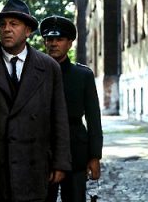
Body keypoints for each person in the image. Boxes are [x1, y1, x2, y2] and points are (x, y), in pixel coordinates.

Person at [0, 0, 72, 202]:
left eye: (14, 24)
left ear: (28, 31)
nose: (7, 29)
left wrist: (60, 163)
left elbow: (60, 119)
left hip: (35, 168)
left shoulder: (48, 67)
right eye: (3, 24)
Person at [40, 15, 103, 202]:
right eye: (49, 39)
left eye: (59, 39)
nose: (53, 44)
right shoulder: (35, 73)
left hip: (75, 149)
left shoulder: (82, 75)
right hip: (44, 152)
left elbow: (93, 118)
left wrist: (94, 156)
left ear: (69, 43)